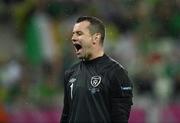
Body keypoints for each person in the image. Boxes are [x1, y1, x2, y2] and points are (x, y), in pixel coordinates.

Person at [60, 16, 133, 123]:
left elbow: (120, 119)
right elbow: (66, 115)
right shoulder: (70, 73)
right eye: (73, 34)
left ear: (95, 38)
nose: (73, 38)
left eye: (79, 34)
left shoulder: (116, 73)